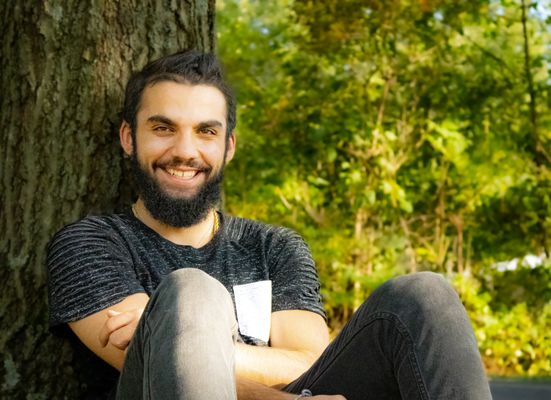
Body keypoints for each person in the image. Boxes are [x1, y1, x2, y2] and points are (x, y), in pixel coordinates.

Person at [47, 49, 492, 400]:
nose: (185, 151)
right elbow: (151, 373)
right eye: (163, 128)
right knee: (192, 292)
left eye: (206, 132)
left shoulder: (273, 245)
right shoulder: (88, 245)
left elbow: (309, 360)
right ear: (130, 138)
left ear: (229, 146)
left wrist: (174, 336)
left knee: (423, 295)